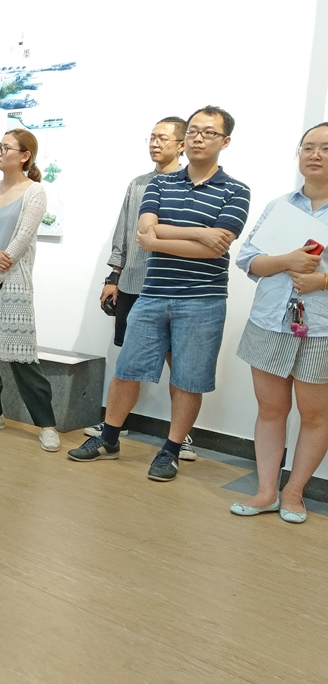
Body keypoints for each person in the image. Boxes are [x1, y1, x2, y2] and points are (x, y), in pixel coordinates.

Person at [69, 106, 251, 481]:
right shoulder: (158, 184)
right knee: (126, 370)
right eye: (194, 130)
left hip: (202, 301)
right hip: (151, 295)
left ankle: (170, 449)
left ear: (225, 141)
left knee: (188, 379)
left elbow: (215, 248)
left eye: (209, 132)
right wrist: (199, 233)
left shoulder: (236, 190)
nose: (199, 138)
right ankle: (109, 438)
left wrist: (164, 239)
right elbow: (145, 234)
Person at [230, 122, 328, 523]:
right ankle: (266, 491)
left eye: (326, 148)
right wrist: (287, 260)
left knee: (315, 415)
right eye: (308, 147)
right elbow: (247, 259)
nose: (315, 154)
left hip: (321, 329)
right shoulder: (280, 206)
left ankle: (294, 492)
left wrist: (323, 281)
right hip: (270, 320)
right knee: (270, 409)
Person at [87, 117, 197, 461]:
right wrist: (113, 277)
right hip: (133, 283)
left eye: (163, 138)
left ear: (181, 145)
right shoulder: (138, 184)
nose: (155, 144)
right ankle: (112, 428)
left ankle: (181, 435)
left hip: (172, 287)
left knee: (179, 366)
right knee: (129, 361)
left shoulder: (189, 185)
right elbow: (123, 231)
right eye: (152, 138)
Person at [0, 130, 60, 452]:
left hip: (9, 285)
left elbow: (21, 242)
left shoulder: (35, 192)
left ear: (25, 155)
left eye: (6, 147)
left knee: (21, 356)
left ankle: (46, 424)